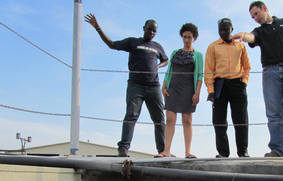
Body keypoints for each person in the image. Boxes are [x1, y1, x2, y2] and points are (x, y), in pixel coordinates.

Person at [232, 1, 283, 158]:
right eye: (252, 17)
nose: (255, 18)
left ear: (264, 9)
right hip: (270, 72)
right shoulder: (259, 31)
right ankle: (277, 150)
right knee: (273, 114)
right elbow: (252, 37)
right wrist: (243, 35)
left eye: (256, 14)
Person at [84, 14, 169, 157]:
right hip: (136, 85)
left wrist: (158, 66)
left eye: (154, 31)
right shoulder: (133, 42)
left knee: (159, 119)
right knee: (131, 115)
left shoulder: (157, 46)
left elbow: (166, 60)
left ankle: (163, 151)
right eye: (149, 30)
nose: (152, 33)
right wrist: (98, 28)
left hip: (153, 86)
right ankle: (123, 148)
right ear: (144, 28)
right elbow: (112, 44)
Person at [204, 18, 251, 158]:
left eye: (226, 29)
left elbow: (247, 67)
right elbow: (208, 71)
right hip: (220, 85)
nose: (223, 32)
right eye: (221, 30)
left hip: (238, 85)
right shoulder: (213, 47)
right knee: (219, 120)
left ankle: (243, 152)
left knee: (241, 119)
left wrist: (244, 82)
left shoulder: (241, 46)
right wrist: (210, 91)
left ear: (232, 29)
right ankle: (223, 153)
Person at [156, 23, 203, 159]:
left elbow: (199, 75)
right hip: (173, 88)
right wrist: (163, 87)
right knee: (170, 118)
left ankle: (187, 152)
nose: (186, 40)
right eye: (184, 37)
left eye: (189, 37)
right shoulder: (175, 53)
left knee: (187, 120)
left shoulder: (198, 55)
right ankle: (166, 151)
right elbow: (169, 71)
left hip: (189, 89)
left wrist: (197, 92)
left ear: (194, 38)